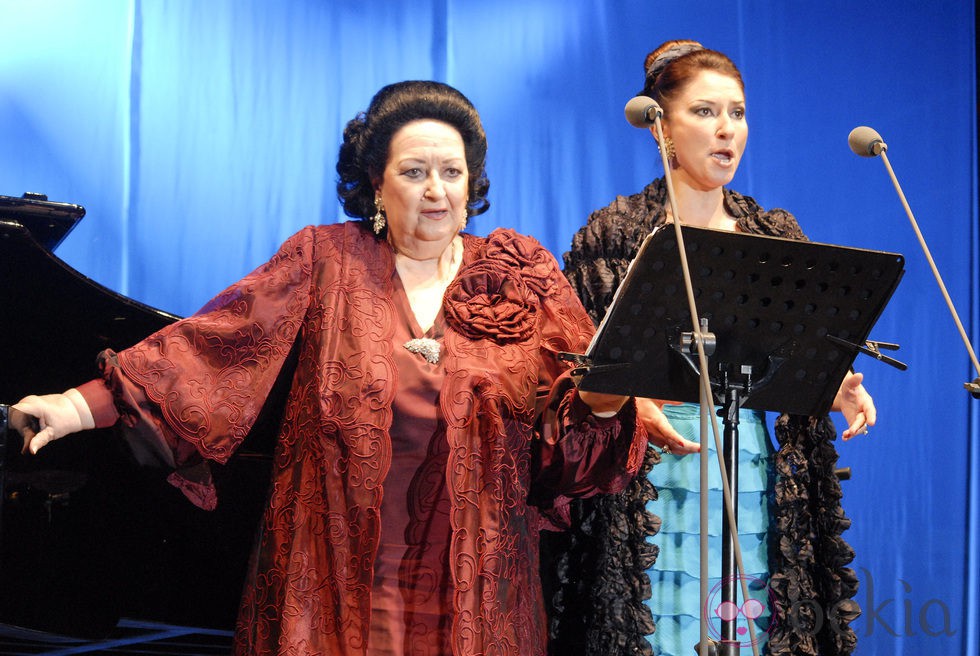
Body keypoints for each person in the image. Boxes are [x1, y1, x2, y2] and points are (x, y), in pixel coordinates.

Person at [9, 80, 647, 656]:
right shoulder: (326, 259)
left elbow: (573, 419)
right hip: (332, 578)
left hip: (478, 592)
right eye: (415, 171)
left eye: (452, 172)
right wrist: (74, 406)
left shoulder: (519, 272)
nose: (436, 190)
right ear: (377, 180)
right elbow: (216, 346)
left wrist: (611, 402)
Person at [541, 42, 876, 656]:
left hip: (744, 468)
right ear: (660, 124)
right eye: (704, 111)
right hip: (646, 478)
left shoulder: (773, 236)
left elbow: (784, 364)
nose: (727, 130)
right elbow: (579, 370)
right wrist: (623, 402)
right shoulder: (613, 236)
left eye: (738, 112)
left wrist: (826, 382)